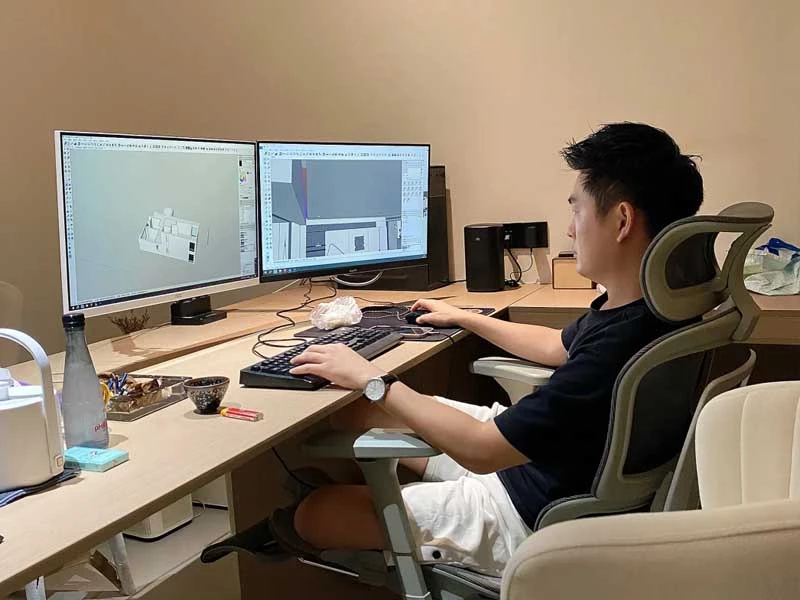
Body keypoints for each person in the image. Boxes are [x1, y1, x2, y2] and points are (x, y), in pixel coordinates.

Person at [285, 122, 704, 576]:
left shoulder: (617, 346)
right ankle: (376, 511)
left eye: (577, 210)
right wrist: (467, 317)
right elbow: (556, 344)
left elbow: (482, 451)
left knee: (315, 514)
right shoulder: (651, 307)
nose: (569, 229)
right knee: (357, 414)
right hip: (542, 461)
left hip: (528, 512)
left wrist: (373, 379)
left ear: (621, 221)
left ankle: (353, 515)